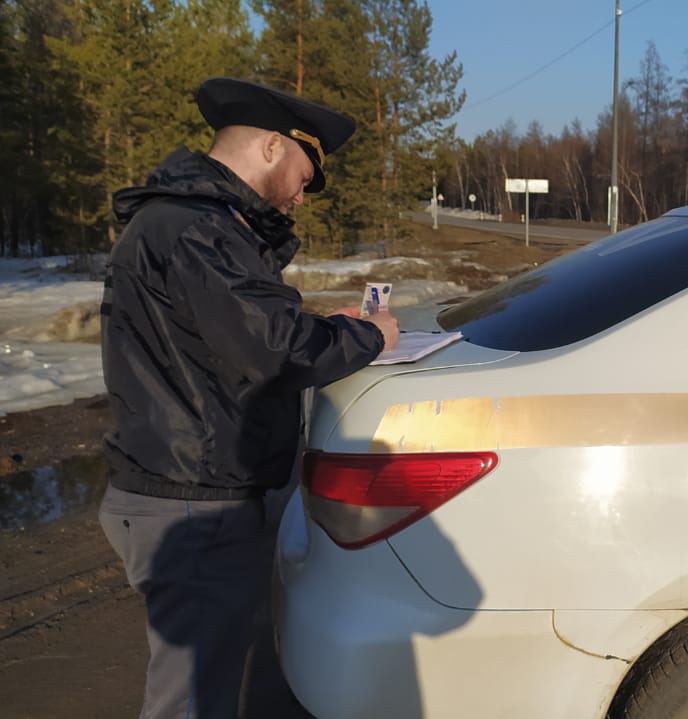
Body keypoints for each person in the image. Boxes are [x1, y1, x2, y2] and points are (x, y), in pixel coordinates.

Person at [97, 77, 399, 718]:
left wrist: (327, 327)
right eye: (304, 173)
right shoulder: (195, 231)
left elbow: (233, 337)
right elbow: (277, 348)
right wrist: (367, 334)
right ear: (269, 147)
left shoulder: (195, 225)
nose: (302, 194)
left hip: (189, 490)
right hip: (190, 502)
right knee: (193, 698)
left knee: (211, 680)